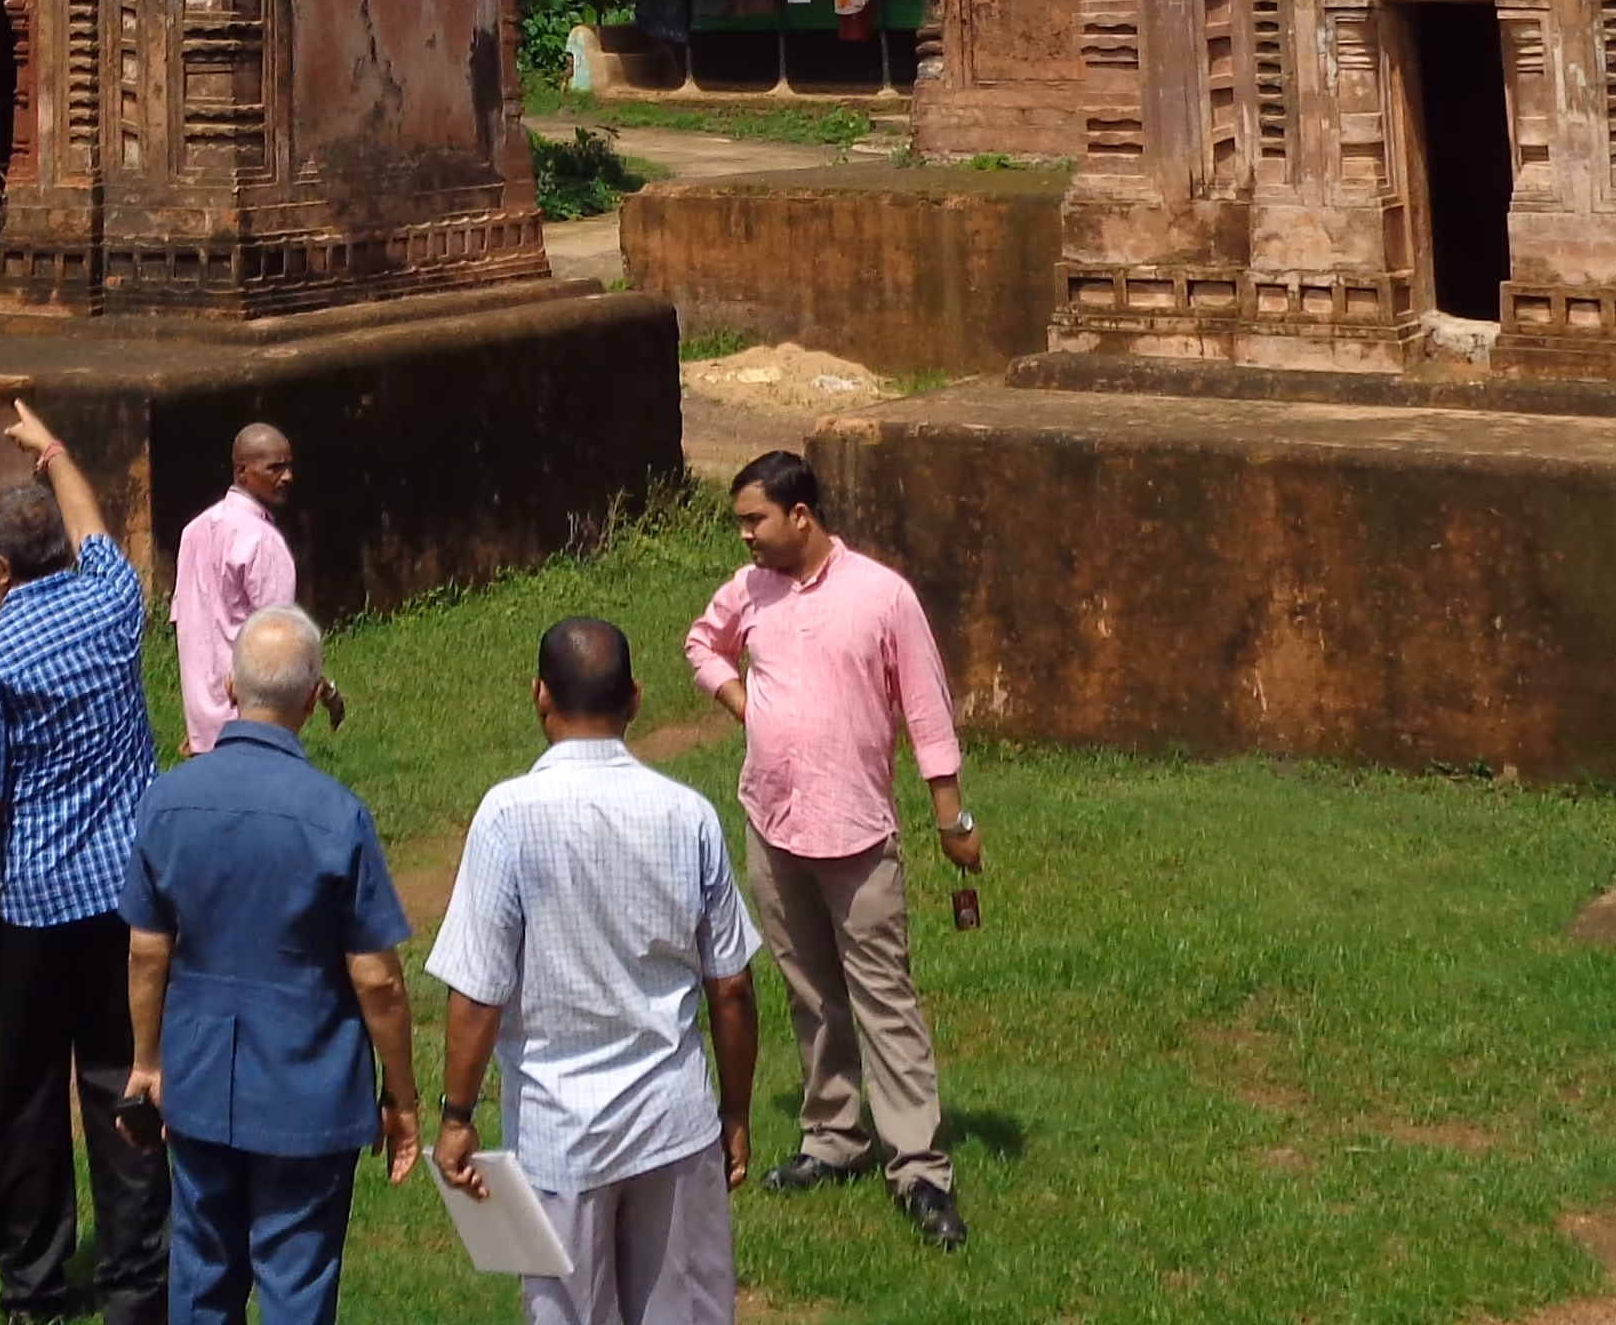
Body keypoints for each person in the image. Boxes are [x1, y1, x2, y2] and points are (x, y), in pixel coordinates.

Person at [684, 451, 979, 1253]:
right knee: (810, 992)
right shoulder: (749, 591)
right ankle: (833, 1138)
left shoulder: (880, 595)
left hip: (858, 832)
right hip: (773, 823)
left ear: (801, 516)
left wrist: (951, 818)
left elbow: (925, 707)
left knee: (884, 997)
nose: (745, 535)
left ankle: (918, 1166)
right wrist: (742, 700)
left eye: (755, 520)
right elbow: (701, 644)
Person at [429, 617, 762, 1325]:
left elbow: (478, 992)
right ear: (636, 698)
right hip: (676, 1123)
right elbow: (730, 986)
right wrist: (735, 1113)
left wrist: (457, 1117)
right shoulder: (689, 815)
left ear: (539, 696)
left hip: (560, 1134)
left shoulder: (507, 816)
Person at [121, 607, 418, 1324]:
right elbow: (376, 978)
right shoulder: (336, 815)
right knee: (298, 1279)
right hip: (307, 1092)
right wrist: (402, 1098)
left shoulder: (167, 800)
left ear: (228, 685)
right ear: (316, 697)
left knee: (202, 1271)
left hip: (200, 1082)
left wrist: (148, 1061)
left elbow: (146, 949)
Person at [0, 401, 169, 1325]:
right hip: (125, 897)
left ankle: (33, 1286)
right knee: (123, 1078)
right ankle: (136, 1280)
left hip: (31, 908)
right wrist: (57, 452)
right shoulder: (113, 601)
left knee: (29, 1095)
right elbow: (93, 527)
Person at [169, 427, 347, 756]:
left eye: (289, 466)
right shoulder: (263, 541)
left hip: (203, 728)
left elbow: (189, 625)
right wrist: (328, 693)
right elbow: (283, 643)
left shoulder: (193, 531)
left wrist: (199, 725)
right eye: (275, 468)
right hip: (251, 727)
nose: (288, 477)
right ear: (242, 471)